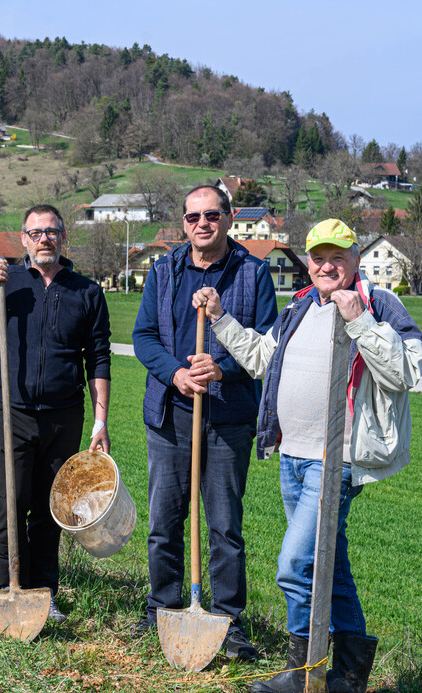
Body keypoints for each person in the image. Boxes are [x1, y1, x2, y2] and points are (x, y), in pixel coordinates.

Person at [193, 218, 422, 693]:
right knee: (328, 564)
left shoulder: (380, 304)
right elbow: (262, 359)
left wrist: (360, 320)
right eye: (318, 257)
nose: (327, 266)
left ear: (356, 258)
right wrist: (220, 318)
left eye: (338, 257)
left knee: (294, 564)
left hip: (336, 460)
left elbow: (405, 372)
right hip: (292, 457)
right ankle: (350, 675)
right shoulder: (298, 306)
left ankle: (303, 670)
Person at [132, 185, 278, 660]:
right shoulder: (164, 270)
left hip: (227, 418)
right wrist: (175, 374)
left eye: (211, 215)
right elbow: (144, 336)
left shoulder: (253, 272)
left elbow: (268, 345)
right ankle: (162, 609)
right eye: (193, 216)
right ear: (184, 222)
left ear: (229, 218)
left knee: (224, 527)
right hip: (170, 414)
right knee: (164, 521)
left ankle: (228, 622)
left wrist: (222, 368)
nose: (202, 224)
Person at [0, 204, 112, 623]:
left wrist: (100, 421)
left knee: (51, 508)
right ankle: (3, 591)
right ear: (23, 239)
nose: (44, 238)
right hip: (12, 412)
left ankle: (44, 595)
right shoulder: (9, 284)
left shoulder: (87, 292)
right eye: (36, 232)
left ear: (63, 237)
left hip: (64, 416)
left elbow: (99, 359)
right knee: (7, 503)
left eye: (51, 231)